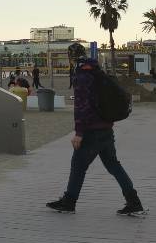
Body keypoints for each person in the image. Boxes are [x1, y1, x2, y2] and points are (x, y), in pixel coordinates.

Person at [47, 42, 144, 215]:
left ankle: (69, 202)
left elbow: (83, 106)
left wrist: (79, 133)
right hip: (106, 127)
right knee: (113, 165)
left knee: (78, 165)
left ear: (71, 57)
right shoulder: (96, 70)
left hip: (92, 130)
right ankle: (134, 201)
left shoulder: (82, 75)